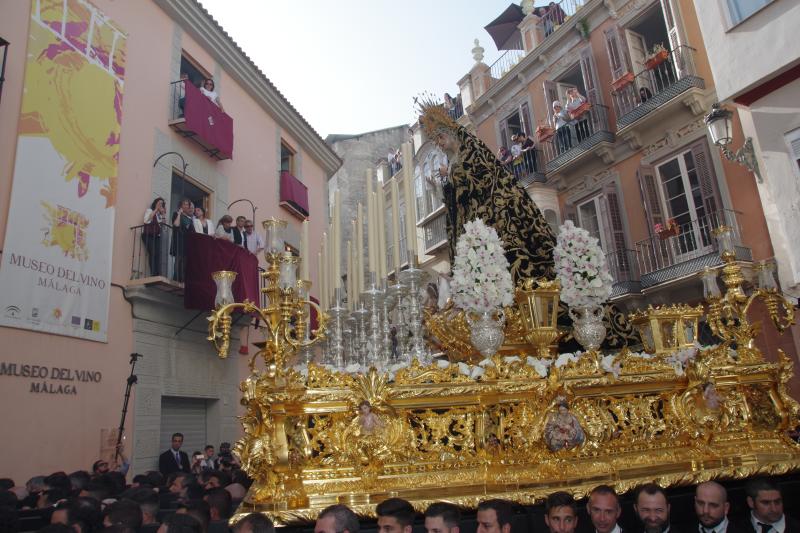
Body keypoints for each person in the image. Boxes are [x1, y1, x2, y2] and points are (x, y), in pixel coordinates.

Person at [421, 100, 557, 283]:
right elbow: (456, 195)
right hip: (470, 221)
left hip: (494, 210)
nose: (440, 144)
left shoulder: (471, 146)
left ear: (450, 132)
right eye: (437, 142)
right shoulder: (454, 159)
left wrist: (452, 172)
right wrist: (438, 187)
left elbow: (481, 173)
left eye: (440, 138)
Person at [170, 199, 193, 282]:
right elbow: (176, 224)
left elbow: (192, 232)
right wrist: (179, 213)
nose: (186, 206)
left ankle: (183, 280)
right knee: (178, 260)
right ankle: (176, 279)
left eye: (187, 205)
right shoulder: (176, 214)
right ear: (181, 206)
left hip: (187, 243)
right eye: (184, 204)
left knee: (184, 263)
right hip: (179, 240)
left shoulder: (190, 219)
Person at [143, 198, 167, 277]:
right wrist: (156, 209)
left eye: (162, 204)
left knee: (157, 254)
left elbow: (163, 226)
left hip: (156, 237)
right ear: (155, 203)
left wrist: (163, 214)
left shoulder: (159, 215)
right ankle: (153, 273)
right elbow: (146, 221)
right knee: (153, 253)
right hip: (148, 235)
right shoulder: (150, 211)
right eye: (159, 203)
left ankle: (157, 273)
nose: (161, 205)